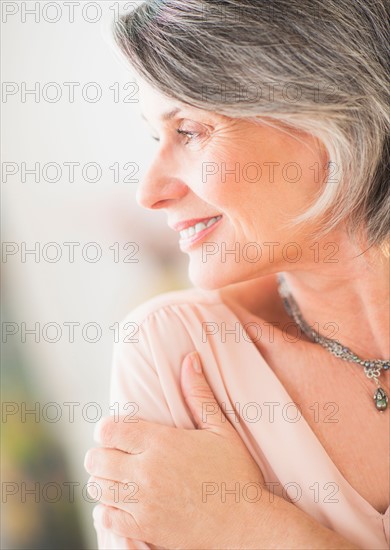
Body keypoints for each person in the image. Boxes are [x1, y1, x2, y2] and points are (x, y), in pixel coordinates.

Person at [84, 1, 390, 548]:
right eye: (157, 139)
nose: (149, 193)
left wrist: (251, 526)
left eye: (190, 130)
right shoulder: (173, 352)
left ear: (328, 115)